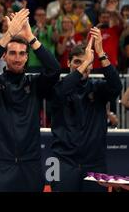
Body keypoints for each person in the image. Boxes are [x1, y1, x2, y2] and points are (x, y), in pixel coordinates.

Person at [0, 9, 61, 192]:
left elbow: (55, 70)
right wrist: (8, 35)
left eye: (22, 53)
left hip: (30, 166)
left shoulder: (36, 83)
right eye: (12, 53)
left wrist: (31, 37)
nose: (17, 58)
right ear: (4, 56)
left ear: (27, 57)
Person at [50, 27, 122, 191]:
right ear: (68, 63)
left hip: (95, 163)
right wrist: (84, 64)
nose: (82, 66)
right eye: (77, 62)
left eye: (87, 62)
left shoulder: (98, 89)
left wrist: (101, 53)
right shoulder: (57, 88)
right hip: (60, 162)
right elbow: (60, 93)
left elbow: (116, 87)